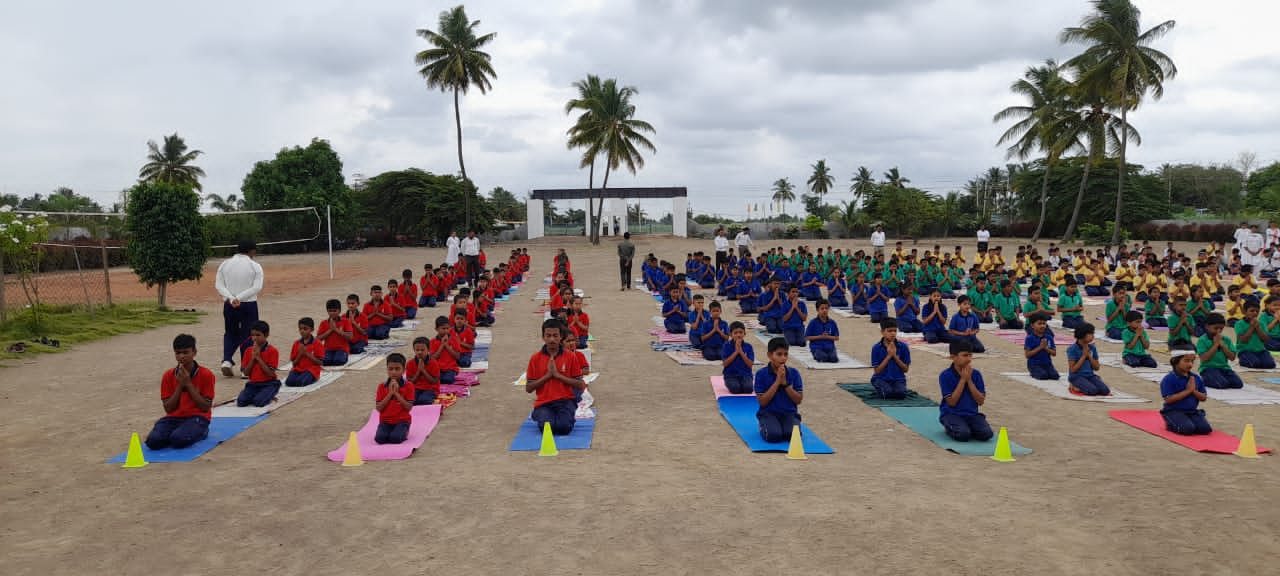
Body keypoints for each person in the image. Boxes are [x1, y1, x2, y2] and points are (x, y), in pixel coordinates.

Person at [145, 334, 215, 450]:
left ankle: (202, 431)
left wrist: (188, 384)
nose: (181, 356)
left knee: (178, 440)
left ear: (194, 352)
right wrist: (180, 386)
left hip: (197, 417)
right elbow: (168, 409)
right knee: (153, 442)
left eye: (185, 352)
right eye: (178, 353)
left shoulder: (206, 374)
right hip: (173, 418)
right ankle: (176, 432)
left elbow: (205, 407)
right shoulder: (168, 376)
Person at [525, 319, 587, 436]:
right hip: (544, 403)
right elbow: (529, 388)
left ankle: (567, 416)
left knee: (563, 428)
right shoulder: (535, 358)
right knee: (547, 428)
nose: (552, 339)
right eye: (548, 336)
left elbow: (580, 384)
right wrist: (548, 376)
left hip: (565, 401)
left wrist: (558, 376)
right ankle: (538, 414)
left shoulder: (570, 357)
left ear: (561, 337)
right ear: (543, 337)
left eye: (555, 335)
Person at [215, 239, 265, 377]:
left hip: (229, 304)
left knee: (230, 332)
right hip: (248, 303)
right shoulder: (255, 266)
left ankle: (226, 360)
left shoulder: (224, 264)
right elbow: (257, 287)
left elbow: (219, 285)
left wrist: (231, 298)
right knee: (249, 334)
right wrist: (240, 298)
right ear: (252, 251)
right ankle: (245, 367)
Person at [938, 339, 994, 442]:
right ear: (953, 357)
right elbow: (952, 402)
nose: (969, 359)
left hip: (971, 415)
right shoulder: (945, 375)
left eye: (970, 355)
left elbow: (980, 401)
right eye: (964, 355)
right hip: (952, 414)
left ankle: (968, 427)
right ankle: (950, 426)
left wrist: (969, 380)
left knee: (987, 434)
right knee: (963, 435)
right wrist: (963, 380)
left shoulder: (976, 375)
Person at [754, 337, 804, 443]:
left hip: (789, 413)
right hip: (768, 413)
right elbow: (762, 401)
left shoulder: (794, 373)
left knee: (793, 436)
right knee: (774, 435)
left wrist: (785, 384)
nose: (783, 358)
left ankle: (786, 424)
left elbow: (798, 400)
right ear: (769, 355)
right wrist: (777, 382)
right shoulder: (761, 374)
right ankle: (763, 424)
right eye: (779, 354)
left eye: (786, 354)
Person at [1160, 347, 1212, 436]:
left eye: (1192, 361)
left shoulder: (1195, 378)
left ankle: (1190, 418)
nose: (1190, 364)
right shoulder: (1169, 379)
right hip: (1174, 411)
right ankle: (1170, 422)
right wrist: (1188, 391)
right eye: (1186, 361)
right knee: (1188, 429)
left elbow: (1203, 397)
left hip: (1191, 411)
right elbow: (1168, 399)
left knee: (1205, 429)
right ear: (1175, 362)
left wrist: (1194, 391)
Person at [235, 321, 281, 407]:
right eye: (252, 335)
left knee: (259, 402)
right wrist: (253, 358)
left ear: (266, 335)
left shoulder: (272, 351)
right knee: (241, 402)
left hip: (269, 383)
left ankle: (270, 393)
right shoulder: (248, 351)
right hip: (253, 384)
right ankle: (261, 395)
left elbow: (270, 373)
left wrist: (258, 358)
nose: (254, 338)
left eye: (258, 335)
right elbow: (245, 373)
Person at [374, 353, 415, 445]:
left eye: (397, 369)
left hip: (402, 421)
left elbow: (409, 407)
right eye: (390, 369)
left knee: (395, 438)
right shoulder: (382, 386)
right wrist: (390, 393)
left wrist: (396, 393)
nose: (393, 372)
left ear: (403, 370)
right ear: (387, 369)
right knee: (380, 439)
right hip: (385, 421)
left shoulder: (409, 386)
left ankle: (405, 429)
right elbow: (379, 408)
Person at [1197, 313, 1242, 389]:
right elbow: (1204, 358)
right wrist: (1215, 345)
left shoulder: (1226, 340)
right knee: (1221, 384)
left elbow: (1232, 357)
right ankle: (1204, 379)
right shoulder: (1202, 340)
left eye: (1221, 329)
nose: (1218, 331)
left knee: (1238, 384)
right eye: (1216, 328)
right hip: (1208, 368)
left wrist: (1222, 345)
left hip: (1224, 368)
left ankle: (1218, 378)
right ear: (1207, 326)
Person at [871, 319, 911, 399]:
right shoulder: (876, 348)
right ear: (882, 332)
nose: (893, 333)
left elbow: (905, 369)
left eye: (895, 331)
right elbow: (877, 371)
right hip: (881, 378)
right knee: (887, 394)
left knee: (901, 394)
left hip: (898, 379)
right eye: (889, 331)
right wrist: (889, 356)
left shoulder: (903, 347)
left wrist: (895, 356)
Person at [1066, 322, 1110, 396]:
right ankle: (1073, 385)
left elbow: (1097, 367)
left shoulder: (1092, 348)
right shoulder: (1072, 349)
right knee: (1092, 391)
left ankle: (1087, 384)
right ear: (1082, 334)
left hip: (1090, 376)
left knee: (1105, 391)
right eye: (1091, 334)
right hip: (1076, 377)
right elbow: (1073, 369)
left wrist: (1089, 356)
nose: (1093, 336)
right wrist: (1083, 356)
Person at [284, 317, 324, 387]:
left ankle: (315, 378)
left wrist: (306, 353)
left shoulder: (317, 343)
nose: (302, 331)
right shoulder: (296, 343)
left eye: (305, 329)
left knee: (301, 382)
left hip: (311, 370)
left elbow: (320, 362)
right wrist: (300, 354)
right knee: (289, 382)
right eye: (300, 329)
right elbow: (294, 363)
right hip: (298, 369)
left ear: (312, 330)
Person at [1235, 301, 1276, 369]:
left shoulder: (1261, 324)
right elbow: (1243, 340)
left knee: (1270, 365)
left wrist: (1257, 328)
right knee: (1255, 364)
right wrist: (1252, 327)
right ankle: (1243, 360)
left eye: (1257, 311)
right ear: (1245, 312)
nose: (1255, 313)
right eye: (1252, 311)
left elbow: (1266, 339)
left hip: (1261, 351)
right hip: (1245, 350)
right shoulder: (1239, 324)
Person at [721, 321, 756, 393]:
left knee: (748, 389)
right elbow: (725, 364)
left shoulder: (748, 346)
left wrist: (741, 351)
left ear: (744, 334)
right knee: (735, 389)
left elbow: (750, 364)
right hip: (730, 375)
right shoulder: (726, 346)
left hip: (745, 374)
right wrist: (736, 352)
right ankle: (728, 382)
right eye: (735, 333)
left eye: (741, 332)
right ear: (731, 334)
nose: (738, 335)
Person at [317, 299, 353, 366]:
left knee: (338, 361)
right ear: (327, 311)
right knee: (325, 362)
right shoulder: (324, 323)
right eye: (330, 311)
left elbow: (350, 337)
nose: (332, 313)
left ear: (339, 311)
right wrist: (330, 330)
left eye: (334, 311)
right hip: (328, 349)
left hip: (342, 349)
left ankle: (344, 356)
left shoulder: (346, 321)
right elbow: (318, 339)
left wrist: (336, 330)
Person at [1024, 313, 1059, 380]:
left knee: (1055, 376)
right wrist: (1040, 347)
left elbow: (1054, 353)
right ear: (1032, 325)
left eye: (1044, 323)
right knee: (1043, 376)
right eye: (1039, 324)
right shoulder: (1029, 338)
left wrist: (1046, 348)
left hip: (1047, 364)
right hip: (1034, 364)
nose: (1042, 326)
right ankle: (1033, 372)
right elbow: (1027, 355)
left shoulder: (1049, 338)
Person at [407, 337, 441, 406]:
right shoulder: (410, 363)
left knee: (423, 401)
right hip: (416, 388)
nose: (419, 352)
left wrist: (423, 370)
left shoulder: (433, 363)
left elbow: (434, 381)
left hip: (430, 388)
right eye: (417, 350)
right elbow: (411, 381)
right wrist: (419, 371)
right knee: (411, 401)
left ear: (428, 350)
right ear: (414, 350)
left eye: (422, 350)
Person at [804, 298, 840, 363]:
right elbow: (807, 337)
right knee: (823, 358)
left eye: (826, 308)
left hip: (829, 347)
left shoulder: (832, 322)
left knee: (834, 359)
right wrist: (820, 337)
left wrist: (827, 337)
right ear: (817, 310)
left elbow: (836, 337)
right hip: (817, 348)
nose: (824, 310)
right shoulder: (813, 322)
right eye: (822, 308)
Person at [429, 316, 460, 385]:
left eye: (447, 328)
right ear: (436, 329)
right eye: (443, 328)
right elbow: (433, 358)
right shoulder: (433, 341)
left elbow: (457, 357)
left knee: (447, 380)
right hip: (438, 368)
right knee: (433, 380)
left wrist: (447, 346)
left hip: (451, 368)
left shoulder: (454, 340)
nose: (446, 331)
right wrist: (442, 345)